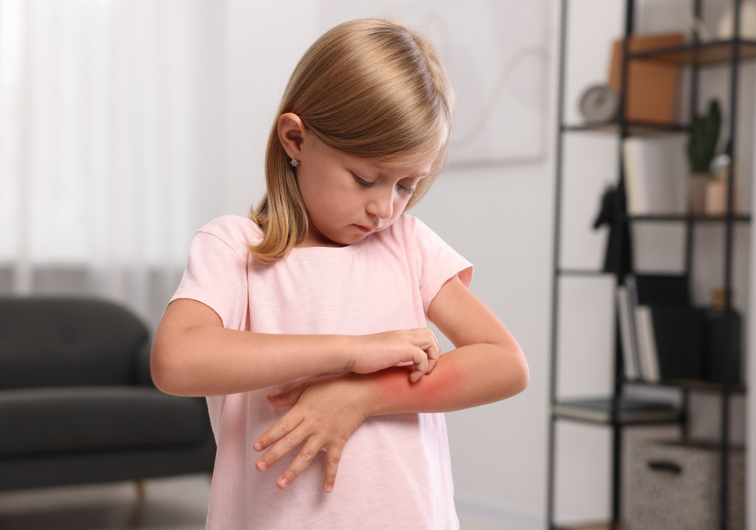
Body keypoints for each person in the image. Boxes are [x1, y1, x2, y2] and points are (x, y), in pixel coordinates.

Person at [151, 18, 529, 530]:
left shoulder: (408, 245)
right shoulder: (236, 248)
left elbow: (505, 363)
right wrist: (351, 351)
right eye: (366, 178)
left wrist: (363, 395)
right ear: (295, 139)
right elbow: (176, 360)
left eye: (406, 186)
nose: (384, 209)